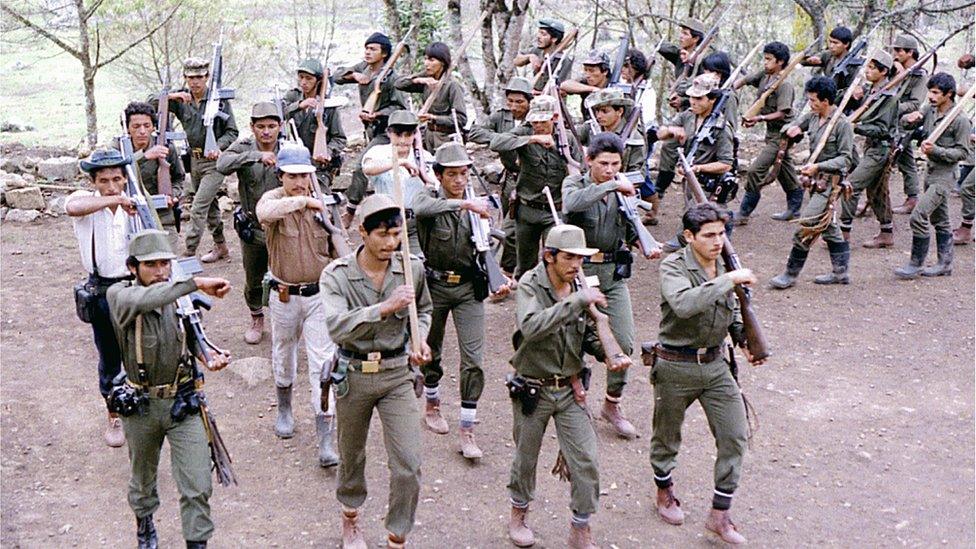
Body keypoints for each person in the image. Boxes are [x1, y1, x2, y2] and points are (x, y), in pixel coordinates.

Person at [507, 224, 630, 549]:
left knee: (586, 459)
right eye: (569, 257)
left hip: (570, 388)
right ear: (549, 256)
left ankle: (581, 526)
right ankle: (519, 512)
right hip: (533, 387)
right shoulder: (530, 285)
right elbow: (531, 327)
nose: (576, 265)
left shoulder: (578, 284)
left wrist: (608, 352)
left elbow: (587, 333)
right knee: (525, 458)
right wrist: (577, 301)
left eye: (581, 258)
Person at [106, 229, 232, 549]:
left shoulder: (179, 297)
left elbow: (191, 338)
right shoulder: (121, 296)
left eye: (165, 264)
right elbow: (147, 299)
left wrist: (210, 358)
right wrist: (194, 283)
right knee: (143, 478)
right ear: (133, 268)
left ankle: (196, 541)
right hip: (143, 405)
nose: (161, 271)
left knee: (198, 482)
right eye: (152, 265)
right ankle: (145, 524)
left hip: (182, 402)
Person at [321, 194, 433, 549]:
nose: (391, 243)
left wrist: (420, 338)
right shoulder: (336, 276)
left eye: (396, 234)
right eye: (382, 234)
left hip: (397, 373)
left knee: (409, 463)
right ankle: (351, 515)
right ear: (362, 232)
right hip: (353, 374)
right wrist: (384, 308)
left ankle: (397, 533)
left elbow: (425, 310)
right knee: (351, 454)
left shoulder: (410, 268)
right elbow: (337, 327)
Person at [647, 202, 762, 545]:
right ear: (688, 236)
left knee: (735, 435)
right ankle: (664, 490)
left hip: (715, 366)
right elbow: (684, 305)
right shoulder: (673, 266)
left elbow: (737, 309)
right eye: (709, 235)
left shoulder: (726, 264)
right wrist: (727, 281)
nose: (717, 241)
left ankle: (719, 514)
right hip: (674, 365)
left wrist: (745, 338)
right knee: (666, 438)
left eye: (721, 234)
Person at [413, 142, 514, 457]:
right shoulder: (429, 197)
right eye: (452, 175)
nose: (459, 181)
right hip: (435, 287)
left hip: (469, 289)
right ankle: (432, 402)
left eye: (464, 174)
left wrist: (498, 278)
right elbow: (420, 210)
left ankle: (467, 426)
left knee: (474, 359)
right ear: (439, 176)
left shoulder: (478, 204)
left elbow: (485, 248)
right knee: (431, 350)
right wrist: (464, 206)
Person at [562, 132, 660, 439]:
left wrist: (644, 241)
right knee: (574, 338)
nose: (610, 169)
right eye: (603, 163)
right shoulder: (575, 184)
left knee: (624, 343)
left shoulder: (623, 188)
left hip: (613, 276)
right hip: (578, 272)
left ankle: (612, 404)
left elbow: (628, 226)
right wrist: (612, 185)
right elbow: (572, 204)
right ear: (589, 160)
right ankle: (574, 396)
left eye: (615, 164)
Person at [255, 144, 340, 467]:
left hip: (319, 295)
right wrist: (304, 201)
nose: (300, 182)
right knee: (283, 352)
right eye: (293, 176)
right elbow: (265, 214)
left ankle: (325, 438)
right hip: (284, 294)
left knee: (322, 363)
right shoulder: (274, 200)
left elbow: (338, 249)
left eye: (305, 176)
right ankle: (285, 409)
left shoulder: (325, 204)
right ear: (281, 176)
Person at [66, 149, 137, 448]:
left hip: (134, 287)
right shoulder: (87, 203)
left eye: (117, 180)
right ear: (94, 181)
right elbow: (73, 206)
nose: (111, 186)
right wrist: (114, 200)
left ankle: (139, 409)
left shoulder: (134, 204)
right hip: (103, 290)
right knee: (109, 355)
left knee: (139, 350)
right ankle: (114, 413)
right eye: (104, 180)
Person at [769, 77, 855, 289]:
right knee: (828, 226)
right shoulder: (814, 117)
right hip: (815, 183)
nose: (811, 104)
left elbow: (846, 159)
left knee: (807, 224)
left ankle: (790, 274)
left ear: (826, 101)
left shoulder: (842, 125)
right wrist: (792, 128)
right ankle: (840, 272)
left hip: (830, 183)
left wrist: (819, 166)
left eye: (814, 100)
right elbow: (795, 124)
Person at [156, 57, 239, 263]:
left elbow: (232, 132)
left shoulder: (218, 100)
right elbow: (150, 103)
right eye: (190, 78)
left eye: (200, 77)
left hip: (215, 163)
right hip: (194, 160)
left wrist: (217, 147)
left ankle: (188, 253)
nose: (195, 82)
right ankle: (221, 247)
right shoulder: (181, 100)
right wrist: (171, 96)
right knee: (210, 209)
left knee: (198, 208)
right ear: (185, 78)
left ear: (207, 77)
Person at [215, 102, 283, 344]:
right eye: (261, 126)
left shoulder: (289, 148)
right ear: (252, 127)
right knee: (254, 278)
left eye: (272, 126)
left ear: (280, 126)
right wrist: (256, 156)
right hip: (253, 228)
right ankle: (256, 316)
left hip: (283, 227)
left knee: (286, 276)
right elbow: (221, 164)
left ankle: (285, 321)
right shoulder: (244, 147)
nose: (266, 132)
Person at [490, 95, 579, 277]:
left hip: (555, 210)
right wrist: (531, 140)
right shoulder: (525, 133)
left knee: (554, 259)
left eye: (542, 121)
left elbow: (580, 169)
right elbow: (496, 143)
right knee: (525, 265)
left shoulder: (567, 139)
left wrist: (558, 150)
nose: (538, 126)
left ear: (554, 118)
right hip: (527, 210)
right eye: (534, 121)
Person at [895, 73, 973, 279]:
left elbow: (963, 153)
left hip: (945, 176)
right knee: (941, 220)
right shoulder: (929, 109)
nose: (930, 96)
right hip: (930, 174)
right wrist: (909, 120)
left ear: (949, 94)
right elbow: (911, 124)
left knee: (918, 215)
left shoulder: (960, 120)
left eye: (936, 92)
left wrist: (936, 150)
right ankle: (944, 264)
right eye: (930, 91)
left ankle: (916, 263)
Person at [655, 73, 735, 253]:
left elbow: (726, 163)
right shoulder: (687, 116)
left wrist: (698, 168)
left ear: (712, 99)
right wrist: (671, 131)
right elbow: (660, 134)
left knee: (701, 218)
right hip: (689, 178)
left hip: (709, 182)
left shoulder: (721, 128)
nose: (693, 101)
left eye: (699, 98)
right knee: (691, 212)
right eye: (691, 97)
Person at [335, 32, 408, 223]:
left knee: (362, 167)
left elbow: (400, 108)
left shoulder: (392, 78)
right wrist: (354, 75)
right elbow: (337, 76)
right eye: (366, 48)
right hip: (370, 130)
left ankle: (350, 210)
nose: (367, 52)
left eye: (373, 49)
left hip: (386, 131)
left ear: (384, 54)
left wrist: (377, 114)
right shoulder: (363, 68)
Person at [468, 77, 533, 276]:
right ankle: (512, 269)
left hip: (530, 178)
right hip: (510, 179)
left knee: (514, 228)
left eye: (519, 102)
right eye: (510, 101)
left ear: (529, 101)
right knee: (510, 225)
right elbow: (475, 133)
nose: (514, 106)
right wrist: (502, 140)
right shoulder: (501, 117)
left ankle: (508, 271)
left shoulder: (536, 118)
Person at [838, 49, 900, 248]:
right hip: (871, 148)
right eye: (868, 67)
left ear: (883, 72)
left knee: (851, 186)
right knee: (876, 191)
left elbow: (883, 129)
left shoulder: (889, 97)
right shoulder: (872, 92)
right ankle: (886, 233)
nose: (868, 71)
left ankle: (844, 233)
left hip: (880, 150)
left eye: (872, 68)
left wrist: (857, 127)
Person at [735, 41, 802, 224]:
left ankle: (744, 213)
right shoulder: (766, 77)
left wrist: (760, 119)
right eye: (764, 59)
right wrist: (732, 87)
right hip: (771, 133)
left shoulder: (784, 85)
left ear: (780, 62)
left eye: (769, 60)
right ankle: (795, 207)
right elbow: (748, 79)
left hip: (782, 134)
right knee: (784, 169)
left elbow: (783, 112)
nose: (765, 63)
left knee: (756, 170)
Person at [360, 110, 435, 255]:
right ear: (389, 133)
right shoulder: (378, 152)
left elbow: (433, 185)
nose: (403, 140)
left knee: (417, 265)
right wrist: (399, 162)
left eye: (408, 135)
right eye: (398, 134)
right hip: (385, 223)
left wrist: (425, 177)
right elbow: (367, 168)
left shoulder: (425, 157)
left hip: (414, 223)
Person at [118, 101, 184, 245]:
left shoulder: (166, 148)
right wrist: (144, 156)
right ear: (127, 128)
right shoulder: (119, 148)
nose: (142, 131)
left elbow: (179, 178)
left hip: (163, 216)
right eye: (136, 126)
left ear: (153, 127)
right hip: (130, 214)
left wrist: (172, 195)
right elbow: (116, 171)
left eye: (147, 126)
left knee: (166, 261)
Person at [282, 58, 348, 189]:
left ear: (318, 81)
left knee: (319, 195)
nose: (303, 82)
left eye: (308, 78)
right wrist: (299, 106)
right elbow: (279, 114)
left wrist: (327, 152)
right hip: (294, 161)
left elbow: (339, 139)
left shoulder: (328, 106)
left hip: (319, 168)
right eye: (301, 77)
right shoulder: (292, 97)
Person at [394, 42, 467, 151]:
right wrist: (419, 79)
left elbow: (461, 120)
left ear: (442, 62)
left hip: (445, 139)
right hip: (428, 137)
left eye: (432, 60)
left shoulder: (452, 86)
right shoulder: (426, 80)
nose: (426, 63)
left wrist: (433, 118)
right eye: (426, 59)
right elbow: (398, 84)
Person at [889, 34, 929, 215]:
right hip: (890, 122)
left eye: (898, 50)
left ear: (910, 52)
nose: (895, 53)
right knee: (903, 160)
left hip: (904, 123)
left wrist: (890, 107)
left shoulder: (919, 76)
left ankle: (912, 198)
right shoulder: (894, 69)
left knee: (900, 160)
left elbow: (915, 104)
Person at [575, 88, 645, 174]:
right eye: (597, 111)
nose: (599, 116)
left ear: (619, 111)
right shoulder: (590, 128)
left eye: (605, 111)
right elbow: (570, 140)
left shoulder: (633, 137)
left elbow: (637, 174)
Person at [514, 19, 573, 92]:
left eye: (543, 34)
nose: (538, 36)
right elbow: (516, 61)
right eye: (539, 33)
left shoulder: (564, 61)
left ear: (554, 39)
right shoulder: (537, 51)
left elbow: (563, 90)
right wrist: (530, 56)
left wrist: (539, 93)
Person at [801, 26, 859, 94]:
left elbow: (852, 89)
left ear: (846, 44)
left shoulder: (853, 65)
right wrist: (809, 60)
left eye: (835, 43)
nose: (831, 46)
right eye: (830, 42)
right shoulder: (828, 55)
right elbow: (801, 61)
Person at [560, 50, 612, 120]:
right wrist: (592, 89)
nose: (587, 75)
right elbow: (565, 85)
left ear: (605, 71)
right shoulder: (587, 82)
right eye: (585, 70)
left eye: (592, 71)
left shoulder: (612, 86)